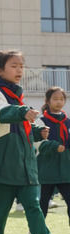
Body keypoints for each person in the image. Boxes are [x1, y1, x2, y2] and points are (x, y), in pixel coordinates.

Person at [0, 50, 62, 234]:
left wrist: (36, 133)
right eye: (14, 66)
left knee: (34, 207)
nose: (19, 70)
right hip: (0, 166)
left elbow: (16, 130)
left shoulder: (17, 96)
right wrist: (22, 112)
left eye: (21, 66)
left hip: (25, 166)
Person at [37, 87, 69, 222]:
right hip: (47, 169)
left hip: (66, 170)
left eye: (61, 99)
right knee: (42, 203)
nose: (59, 102)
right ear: (48, 101)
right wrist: (55, 146)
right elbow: (38, 143)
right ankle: (36, 229)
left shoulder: (68, 122)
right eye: (55, 99)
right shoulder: (41, 121)